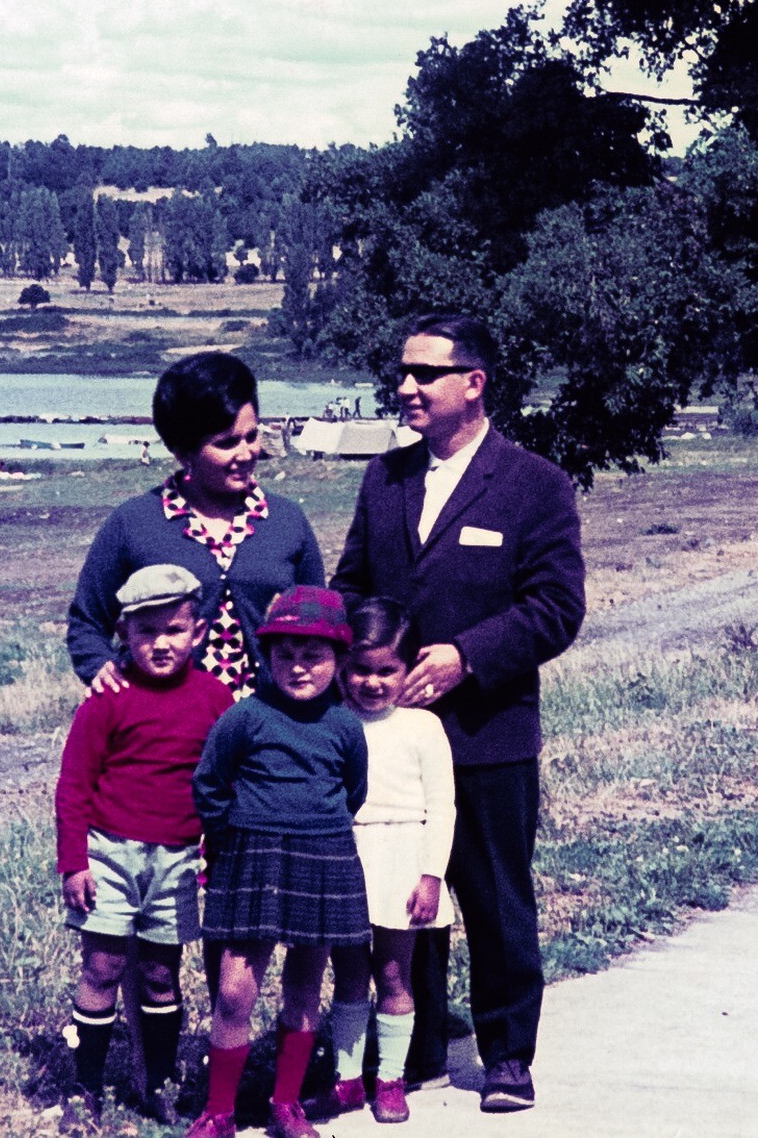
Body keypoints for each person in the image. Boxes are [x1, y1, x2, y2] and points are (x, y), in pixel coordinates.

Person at [331, 312, 585, 1114]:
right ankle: (420, 1046)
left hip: (488, 732)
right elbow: (353, 583)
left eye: (424, 374)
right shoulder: (387, 478)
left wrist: (466, 656)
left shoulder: (535, 484)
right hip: (387, 742)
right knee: (401, 896)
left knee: (496, 895)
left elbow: (556, 608)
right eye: (401, 372)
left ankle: (508, 1055)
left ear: (474, 383)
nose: (405, 387)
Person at [188, 586, 371, 1138]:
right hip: (253, 856)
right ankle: (218, 1111)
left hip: (321, 855)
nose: (297, 667)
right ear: (266, 657)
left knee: (304, 986)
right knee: (234, 989)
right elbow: (209, 784)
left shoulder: (344, 726)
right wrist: (235, 836)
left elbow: (353, 789)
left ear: (337, 660)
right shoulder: (246, 718)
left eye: (312, 656)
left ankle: (285, 1105)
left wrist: (316, 828)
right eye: (284, 654)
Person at [55, 564, 235, 1115]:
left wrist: (216, 850)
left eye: (174, 630)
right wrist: (74, 862)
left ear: (198, 631)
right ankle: (85, 1086)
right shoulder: (107, 696)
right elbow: (74, 785)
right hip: (109, 853)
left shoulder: (214, 698)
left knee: (161, 973)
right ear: (124, 633)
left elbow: (223, 782)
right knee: (103, 968)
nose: (161, 644)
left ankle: (156, 1084)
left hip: (178, 859)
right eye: (146, 631)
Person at [68, 352, 325, 702]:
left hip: (269, 726)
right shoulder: (133, 523)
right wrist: (102, 670)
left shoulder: (287, 520)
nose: (246, 453)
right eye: (226, 443)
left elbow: (320, 622)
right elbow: (87, 623)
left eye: (251, 436)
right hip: (165, 730)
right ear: (182, 450)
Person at [317, 597, 455, 1124]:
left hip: (403, 858)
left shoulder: (423, 728)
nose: (372, 682)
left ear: (407, 669)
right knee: (349, 974)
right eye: (359, 670)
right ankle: (347, 1081)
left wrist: (430, 875)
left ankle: (391, 1080)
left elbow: (442, 807)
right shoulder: (330, 721)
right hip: (346, 857)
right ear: (342, 668)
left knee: (395, 975)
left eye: (386, 671)